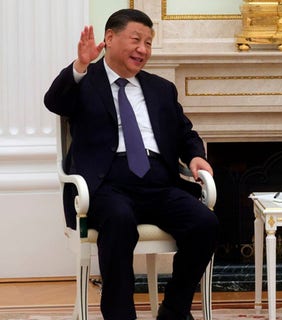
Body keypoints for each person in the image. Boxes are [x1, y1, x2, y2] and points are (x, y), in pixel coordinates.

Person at [44, 9, 218, 320]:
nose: (143, 49)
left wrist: (194, 155)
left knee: (205, 223)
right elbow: (55, 102)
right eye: (136, 40)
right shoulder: (85, 81)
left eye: (149, 43)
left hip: (158, 184)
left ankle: (175, 309)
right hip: (105, 185)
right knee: (119, 219)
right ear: (110, 39)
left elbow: (184, 131)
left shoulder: (161, 89)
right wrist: (81, 65)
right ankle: (120, 314)